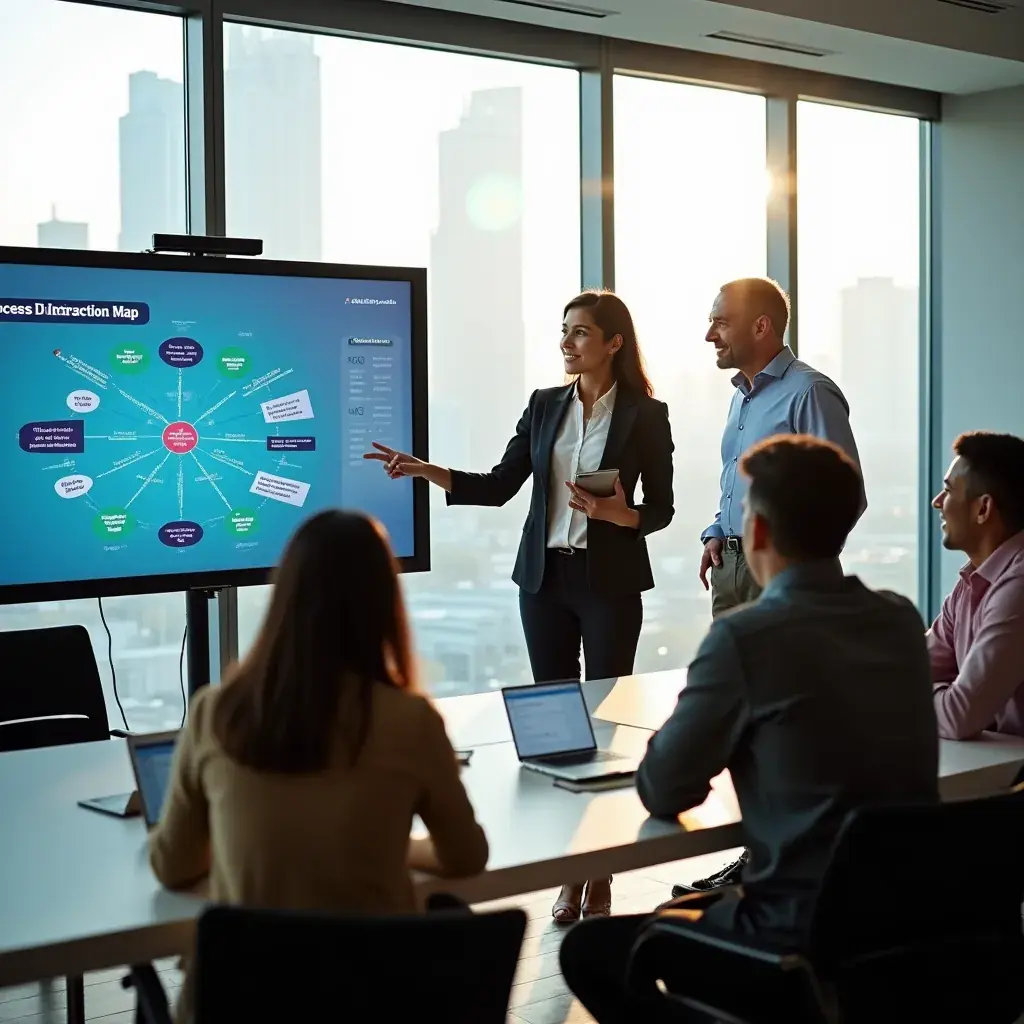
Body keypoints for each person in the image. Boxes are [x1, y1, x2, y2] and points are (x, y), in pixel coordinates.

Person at [559, 435, 938, 1024]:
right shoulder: (897, 619)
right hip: (909, 925)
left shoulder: (746, 637)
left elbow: (665, 788)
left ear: (756, 532)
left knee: (590, 950)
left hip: (793, 937)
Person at [365, 289, 675, 924]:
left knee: (607, 729)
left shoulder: (647, 414)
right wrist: (428, 470)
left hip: (609, 584)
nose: (567, 343)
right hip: (544, 583)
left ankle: (604, 875)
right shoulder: (543, 407)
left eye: (581, 333)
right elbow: (501, 486)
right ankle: (571, 873)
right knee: (558, 728)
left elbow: (663, 507)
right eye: (564, 332)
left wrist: (621, 515)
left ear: (614, 343)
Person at [149, 511, 488, 1021]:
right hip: (374, 1004)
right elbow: (465, 856)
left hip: (238, 1006)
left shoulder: (215, 711)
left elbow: (171, 865)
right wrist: (394, 848)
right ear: (383, 603)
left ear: (284, 595)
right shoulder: (411, 720)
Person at [679, 276, 865, 898]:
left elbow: (845, 494)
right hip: (734, 566)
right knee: (741, 725)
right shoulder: (741, 397)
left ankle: (771, 865)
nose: (709, 335)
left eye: (720, 323)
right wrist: (716, 531)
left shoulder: (809, 392)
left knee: (782, 725)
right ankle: (753, 858)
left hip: (783, 574)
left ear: (762, 327)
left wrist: (792, 569)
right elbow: (736, 484)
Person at [928, 431, 1024, 739]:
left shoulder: (1019, 586)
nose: (937, 502)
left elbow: (959, 716)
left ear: (983, 509)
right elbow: (910, 670)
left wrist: (913, 696)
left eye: (948, 490)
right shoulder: (971, 583)